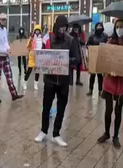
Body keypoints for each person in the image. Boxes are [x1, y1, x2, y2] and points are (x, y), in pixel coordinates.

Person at [34, 15, 79, 147]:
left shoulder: (71, 40)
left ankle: (56, 134)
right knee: (46, 107)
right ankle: (43, 131)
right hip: (50, 79)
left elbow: (76, 59)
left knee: (61, 107)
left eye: (65, 27)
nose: (62, 29)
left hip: (64, 80)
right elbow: (41, 54)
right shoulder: (48, 38)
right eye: (60, 27)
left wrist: (65, 60)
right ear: (56, 26)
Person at [97, 19, 123, 149]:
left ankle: (116, 136)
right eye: (117, 27)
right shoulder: (109, 43)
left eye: (122, 27)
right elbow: (103, 61)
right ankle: (107, 133)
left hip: (121, 86)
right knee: (108, 111)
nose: (119, 29)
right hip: (109, 83)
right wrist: (108, 70)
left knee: (119, 111)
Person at [0, 13, 23, 103]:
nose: (4, 21)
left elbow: (5, 41)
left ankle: (14, 94)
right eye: (2, 19)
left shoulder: (5, 29)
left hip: (5, 56)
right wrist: (3, 50)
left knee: (9, 76)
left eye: (5, 19)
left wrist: (8, 48)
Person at [86, 22, 108, 96]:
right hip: (93, 58)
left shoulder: (105, 36)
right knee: (92, 75)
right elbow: (87, 45)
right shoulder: (92, 36)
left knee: (100, 76)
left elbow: (108, 45)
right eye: (97, 26)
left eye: (100, 26)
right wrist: (91, 48)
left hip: (101, 58)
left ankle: (100, 90)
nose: (99, 27)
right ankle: (90, 90)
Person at [24, 24, 43, 90]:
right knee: (29, 71)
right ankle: (25, 83)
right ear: (34, 31)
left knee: (37, 72)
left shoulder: (41, 38)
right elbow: (27, 46)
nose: (37, 32)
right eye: (36, 30)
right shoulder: (31, 38)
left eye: (38, 30)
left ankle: (36, 84)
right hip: (32, 57)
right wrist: (30, 41)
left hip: (39, 57)